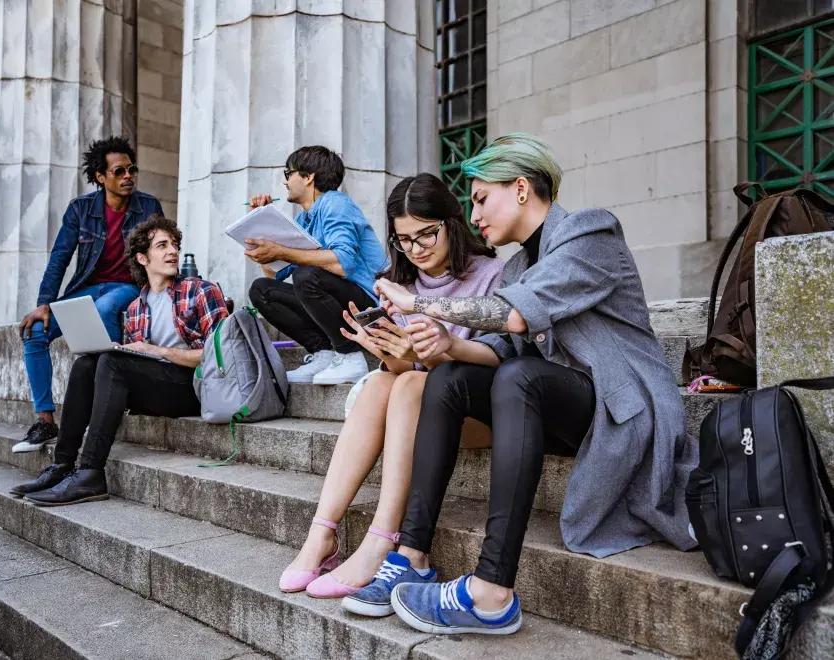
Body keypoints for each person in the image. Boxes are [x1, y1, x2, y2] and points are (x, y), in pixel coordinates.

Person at [368, 133, 696, 635]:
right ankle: (412, 552)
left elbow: (517, 318)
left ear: (521, 188)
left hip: (624, 407)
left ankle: (492, 591)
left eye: (481, 198)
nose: (473, 216)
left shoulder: (590, 233)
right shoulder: (520, 265)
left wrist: (420, 304)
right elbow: (498, 349)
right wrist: (445, 346)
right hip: (564, 408)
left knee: (520, 379)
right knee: (451, 378)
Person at [278, 175, 505, 614]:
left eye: (427, 233)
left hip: (480, 413)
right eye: (404, 240)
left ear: (452, 223)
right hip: (419, 409)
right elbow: (405, 372)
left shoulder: (492, 276)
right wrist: (387, 349)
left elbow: (492, 365)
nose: (417, 249)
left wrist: (419, 360)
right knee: (387, 379)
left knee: (411, 381)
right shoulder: (400, 285)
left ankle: (383, 538)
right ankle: (321, 533)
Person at [8, 216, 228, 506]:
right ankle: (62, 466)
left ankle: (90, 473)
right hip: (156, 387)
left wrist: (158, 351)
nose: (172, 251)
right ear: (142, 258)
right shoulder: (136, 307)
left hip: (194, 387)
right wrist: (123, 350)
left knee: (113, 363)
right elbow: (136, 363)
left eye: (174, 244)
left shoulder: (200, 291)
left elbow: (222, 354)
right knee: (87, 364)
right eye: (162, 246)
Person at [12, 137, 164, 454]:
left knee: (106, 307)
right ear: (100, 176)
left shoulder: (148, 207)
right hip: (85, 289)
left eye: (131, 169)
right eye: (119, 171)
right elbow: (59, 259)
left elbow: (163, 251)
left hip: (128, 287)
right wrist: (44, 304)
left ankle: (105, 402)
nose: (128, 176)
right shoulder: (81, 210)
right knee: (34, 332)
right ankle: (45, 420)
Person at [246, 146, 387, 385]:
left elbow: (344, 263)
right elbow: (275, 273)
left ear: (308, 176)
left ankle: (350, 356)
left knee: (307, 275)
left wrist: (282, 250)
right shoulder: (304, 219)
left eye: (288, 173)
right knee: (262, 290)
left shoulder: (336, 203)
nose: (285, 181)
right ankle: (324, 352)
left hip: (371, 309)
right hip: (340, 303)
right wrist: (260, 223)